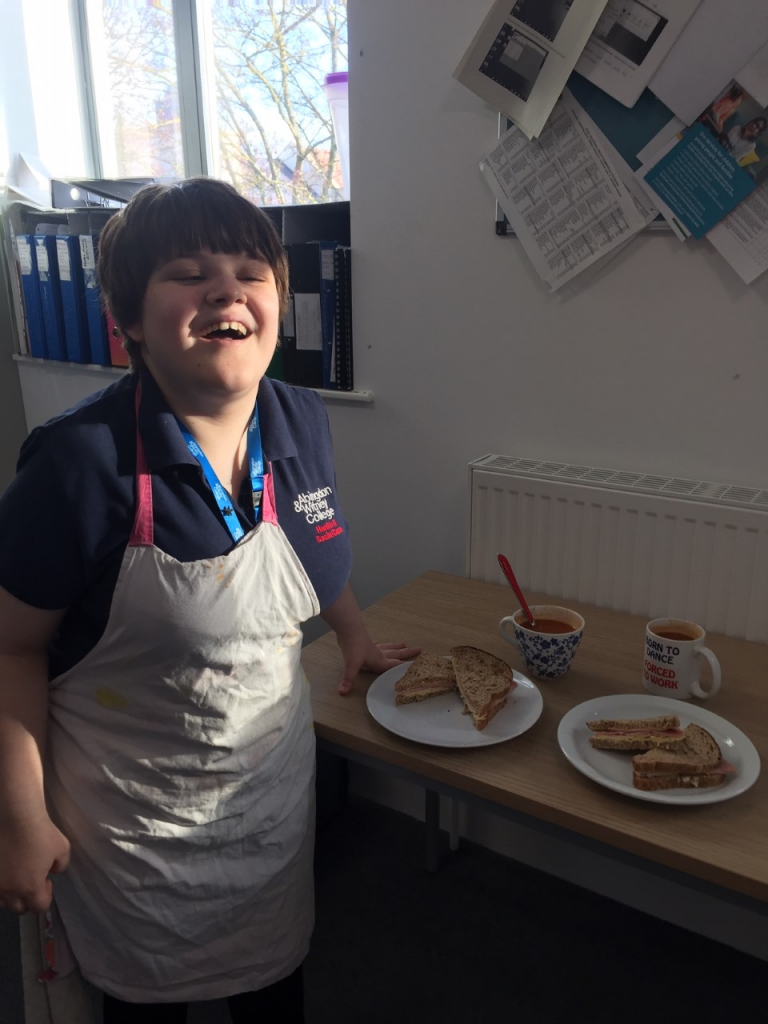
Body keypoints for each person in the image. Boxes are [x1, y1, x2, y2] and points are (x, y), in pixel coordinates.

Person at [0, 177, 419, 1022]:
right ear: (129, 320)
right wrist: (18, 818)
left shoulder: (301, 419)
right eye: (188, 272)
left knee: (273, 992)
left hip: (266, 806)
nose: (225, 288)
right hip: (132, 831)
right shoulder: (79, 466)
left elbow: (314, 539)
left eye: (250, 271)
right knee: (146, 1005)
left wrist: (356, 635)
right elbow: (10, 649)